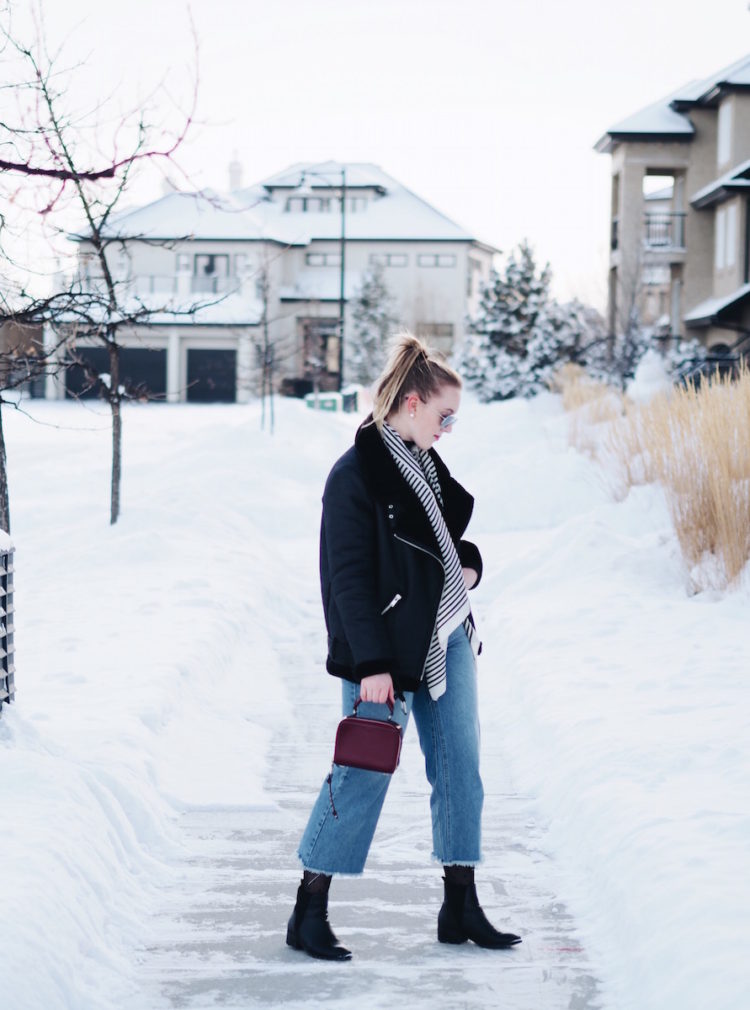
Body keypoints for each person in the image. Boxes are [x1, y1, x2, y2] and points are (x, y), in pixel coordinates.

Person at [286, 332, 521, 961]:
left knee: (460, 772)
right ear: (412, 403)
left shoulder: (425, 465)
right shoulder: (355, 473)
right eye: (445, 415)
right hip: (385, 654)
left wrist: (467, 565)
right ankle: (309, 910)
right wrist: (371, 666)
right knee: (362, 773)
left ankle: (460, 904)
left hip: (444, 641)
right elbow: (347, 579)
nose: (448, 428)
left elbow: (440, 546)